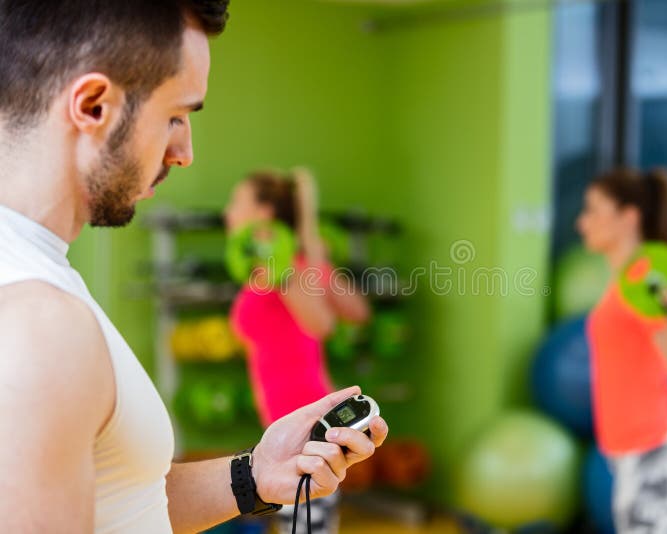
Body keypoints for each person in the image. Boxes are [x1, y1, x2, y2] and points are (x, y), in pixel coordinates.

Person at [0, 2, 388, 533]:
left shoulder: (36, 277)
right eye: (176, 115)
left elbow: (121, 502)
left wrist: (254, 474)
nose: (185, 152)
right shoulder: (39, 324)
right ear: (93, 106)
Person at [225, 168, 371, 533]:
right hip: (286, 421)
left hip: (305, 424)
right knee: (305, 526)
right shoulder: (271, 268)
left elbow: (330, 321)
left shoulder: (285, 268)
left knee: (304, 528)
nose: (228, 213)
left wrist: (299, 238)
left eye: (236, 203)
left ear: (263, 213)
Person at [577, 167, 667, 533]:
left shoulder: (644, 279)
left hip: (653, 461)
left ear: (628, 218)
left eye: (594, 211)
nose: (583, 223)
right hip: (633, 459)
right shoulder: (627, 283)